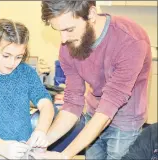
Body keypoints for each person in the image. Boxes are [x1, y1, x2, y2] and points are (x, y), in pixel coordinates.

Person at [35, 0, 152, 159]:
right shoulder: (69, 45)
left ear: (91, 14)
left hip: (126, 121)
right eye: (59, 31)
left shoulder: (130, 40)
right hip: (94, 112)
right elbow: (73, 102)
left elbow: (109, 106)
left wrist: (64, 155)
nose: (63, 39)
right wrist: (42, 142)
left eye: (69, 29)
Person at [0, 18, 54, 159]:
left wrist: (41, 130)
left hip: (21, 151)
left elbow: (45, 103)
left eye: (19, 57)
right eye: (6, 55)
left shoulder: (26, 72)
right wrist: (2, 147)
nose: (12, 63)